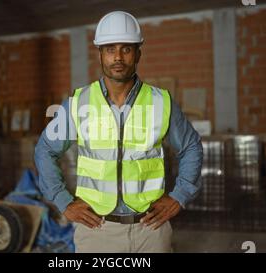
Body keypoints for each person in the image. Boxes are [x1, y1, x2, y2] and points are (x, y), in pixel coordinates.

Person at [35, 11, 203, 253]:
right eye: (110, 49)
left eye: (126, 49)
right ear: (100, 54)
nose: (118, 57)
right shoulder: (78, 102)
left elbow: (191, 147)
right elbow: (45, 150)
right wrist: (64, 202)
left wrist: (180, 195)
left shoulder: (161, 102)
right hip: (97, 231)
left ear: (138, 54)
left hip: (151, 230)